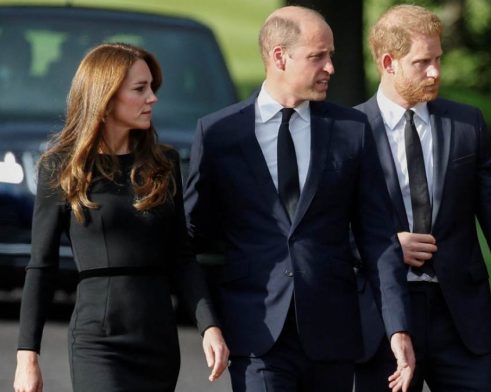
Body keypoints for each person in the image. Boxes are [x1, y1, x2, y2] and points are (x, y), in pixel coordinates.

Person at [183, 6, 415, 392]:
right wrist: (208, 320)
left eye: (331, 55)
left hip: (333, 334)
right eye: (317, 56)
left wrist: (398, 328)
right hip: (257, 333)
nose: (330, 67)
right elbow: (193, 236)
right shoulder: (220, 134)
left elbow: (379, 237)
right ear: (279, 56)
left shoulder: (350, 130)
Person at [13, 43, 229, 392]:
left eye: (152, 88)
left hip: (157, 338)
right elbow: (42, 265)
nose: (152, 99)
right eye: (140, 89)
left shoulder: (164, 163)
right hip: (98, 340)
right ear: (107, 96)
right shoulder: (63, 168)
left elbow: (182, 257)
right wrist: (27, 356)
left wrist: (210, 327)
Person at [354, 5, 491, 391]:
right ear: (389, 63)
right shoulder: (349, 132)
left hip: (460, 317)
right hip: (382, 318)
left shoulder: (466, 124)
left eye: (438, 58)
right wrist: (389, 247)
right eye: (423, 62)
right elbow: (328, 227)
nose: (436, 71)